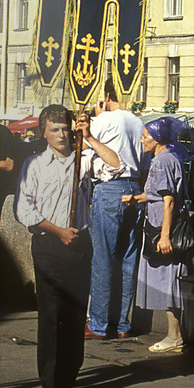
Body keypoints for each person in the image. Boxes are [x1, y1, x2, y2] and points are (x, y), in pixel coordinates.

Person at [14, 105, 92, 388]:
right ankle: (49, 382)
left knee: (74, 313)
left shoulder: (83, 159)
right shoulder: (34, 164)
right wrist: (58, 230)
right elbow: (25, 209)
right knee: (51, 313)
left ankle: (69, 378)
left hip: (79, 244)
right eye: (55, 130)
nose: (62, 135)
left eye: (66, 128)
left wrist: (90, 137)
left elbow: (116, 166)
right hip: (49, 244)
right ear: (43, 133)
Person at [85, 81, 143, 338]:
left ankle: (98, 323)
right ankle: (122, 323)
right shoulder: (137, 122)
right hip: (134, 187)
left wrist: (98, 117)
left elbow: (82, 147)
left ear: (106, 96)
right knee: (128, 259)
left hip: (109, 188)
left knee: (103, 258)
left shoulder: (105, 119)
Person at [137, 117, 189, 353]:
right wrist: (136, 198)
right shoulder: (170, 158)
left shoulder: (160, 162)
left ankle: (174, 336)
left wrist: (164, 236)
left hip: (161, 227)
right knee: (169, 281)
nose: (141, 140)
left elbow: (167, 200)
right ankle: (173, 334)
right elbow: (159, 193)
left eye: (145, 136)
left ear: (157, 138)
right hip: (163, 225)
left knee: (167, 281)